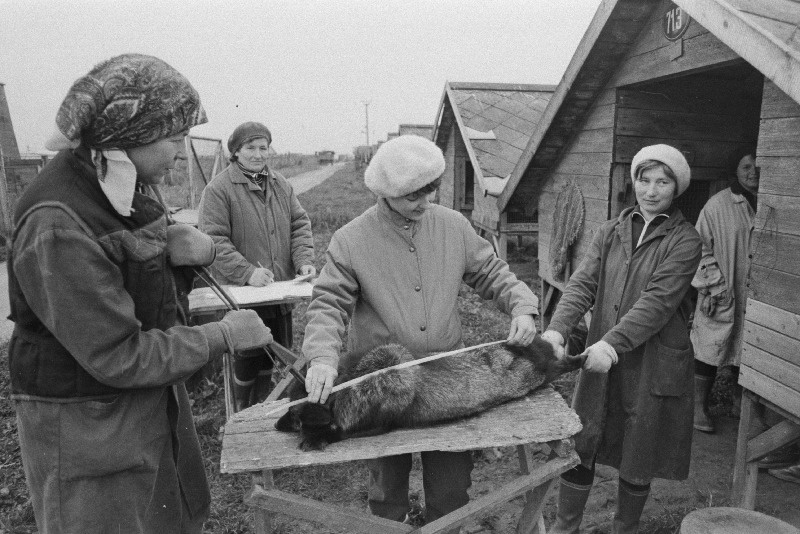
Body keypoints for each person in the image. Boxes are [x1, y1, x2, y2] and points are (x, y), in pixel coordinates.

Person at [7, 54, 273, 533]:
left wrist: (181, 257)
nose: (180, 152)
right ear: (130, 134)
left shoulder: (123, 186)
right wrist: (224, 335)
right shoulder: (58, 224)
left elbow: (140, 294)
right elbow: (118, 354)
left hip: (142, 403)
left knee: (171, 518)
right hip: (88, 424)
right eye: (173, 137)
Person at [301, 135, 539, 528]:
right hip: (381, 386)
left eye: (430, 190)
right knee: (386, 484)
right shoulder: (352, 240)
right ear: (386, 192)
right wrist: (323, 358)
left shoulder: (452, 226)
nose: (425, 202)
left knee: (451, 484)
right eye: (413, 195)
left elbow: (491, 272)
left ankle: (446, 523)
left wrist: (522, 306)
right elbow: (328, 304)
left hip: (447, 380)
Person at [540, 144, 702, 534]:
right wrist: (556, 330)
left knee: (639, 450)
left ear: (676, 188)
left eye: (662, 182)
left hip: (652, 359)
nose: (651, 190)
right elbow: (582, 284)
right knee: (583, 441)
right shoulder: (611, 230)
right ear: (634, 182)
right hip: (602, 352)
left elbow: (658, 302)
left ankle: (624, 528)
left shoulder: (685, 240)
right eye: (644, 180)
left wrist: (611, 345)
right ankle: (565, 527)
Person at [198, 121, 316, 411]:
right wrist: (247, 272)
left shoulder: (281, 184)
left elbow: (299, 224)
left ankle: (262, 406)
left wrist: (303, 261)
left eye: (264, 148)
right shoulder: (219, 189)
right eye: (251, 148)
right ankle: (241, 410)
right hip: (243, 294)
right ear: (236, 151)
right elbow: (213, 240)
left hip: (277, 291)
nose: (258, 154)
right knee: (246, 355)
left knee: (273, 352)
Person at [690, 146, 759, 434]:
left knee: (748, 347)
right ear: (735, 170)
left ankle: (740, 405)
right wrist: (715, 285)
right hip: (721, 290)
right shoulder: (717, 205)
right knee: (710, 348)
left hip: (754, 293)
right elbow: (698, 248)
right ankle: (698, 408)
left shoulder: (769, 201)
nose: (753, 172)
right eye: (746, 167)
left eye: (757, 166)